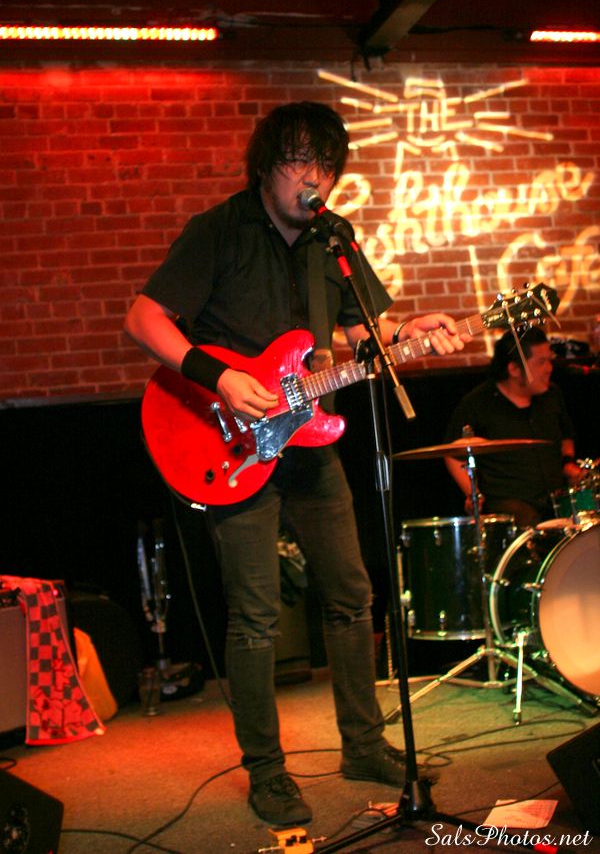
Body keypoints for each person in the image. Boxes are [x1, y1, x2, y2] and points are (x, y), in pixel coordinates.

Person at [125, 101, 468, 827]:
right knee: (254, 615)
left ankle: (363, 745)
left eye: (327, 166)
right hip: (229, 441)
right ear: (266, 165)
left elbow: (363, 331)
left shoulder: (333, 241)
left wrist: (408, 331)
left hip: (309, 441)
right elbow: (144, 317)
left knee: (351, 592)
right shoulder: (219, 230)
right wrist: (219, 377)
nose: (315, 178)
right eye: (300, 161)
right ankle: (267, 772)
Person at [444, 326, 583, 527]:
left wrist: (568, 463)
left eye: (549, 360)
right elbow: (452, 453)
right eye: (541, 362)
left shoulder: (552, 394)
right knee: (523, 517)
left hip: (557, 500)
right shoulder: (478, 403)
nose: (549, 368)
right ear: (514, 369)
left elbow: (566, 435)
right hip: (509, 507)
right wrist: (474, 494)